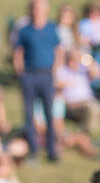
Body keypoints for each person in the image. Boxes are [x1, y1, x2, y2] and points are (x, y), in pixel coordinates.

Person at [14, 0, 63, 162]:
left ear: (46, 10)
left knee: (49, 113)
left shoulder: (52, 28)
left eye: (40, 8)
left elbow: (58, 51)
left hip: (46, 75)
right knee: (29, 113)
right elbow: (18, 52)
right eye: (35, 8)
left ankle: (51, 150)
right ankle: (33, 149)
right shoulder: (24, 30)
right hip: (29, 74)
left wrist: (54, 70)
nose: (37, 11)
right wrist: (20, 71)